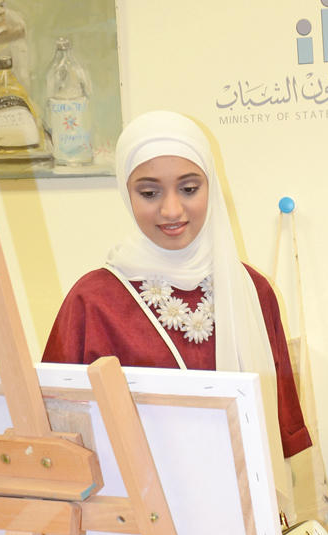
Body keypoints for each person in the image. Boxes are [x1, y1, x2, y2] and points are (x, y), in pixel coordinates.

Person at [42, 110, 312, 513]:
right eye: (149, 193)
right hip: (131, 524)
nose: (171, 210)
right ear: (126, 193)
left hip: (236, 515)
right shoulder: (93, 301)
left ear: (211, 187)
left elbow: (278, 428)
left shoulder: (251, 291)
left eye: (188, 188)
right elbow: (53, 437)